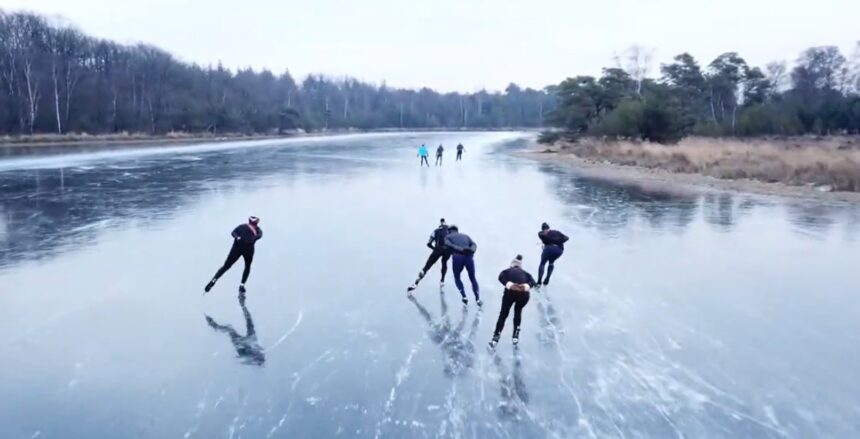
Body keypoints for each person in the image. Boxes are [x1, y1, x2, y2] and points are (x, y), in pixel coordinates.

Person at [204, 216, 263, 295]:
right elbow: (258, 236)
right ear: (257, 223)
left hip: (236, 249)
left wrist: (238, 237)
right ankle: (242, 286)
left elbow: (233, 233)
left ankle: (214, 280)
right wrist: (251, 239)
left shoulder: (241, 227)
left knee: (226, 266)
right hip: (248, 251)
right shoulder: (258, 230)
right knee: (247, 266)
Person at [489, 255, 536, 349]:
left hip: (510, 294)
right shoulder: (526, 274)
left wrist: (509, 285)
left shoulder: (507, 271)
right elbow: (533, 282)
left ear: (512, 265)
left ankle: (496, 336)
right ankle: (515, 334)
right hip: (523, 296)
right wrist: (525, 286)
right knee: (518, 312)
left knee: (503, 314)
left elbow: (500, 277)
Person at [204, 298, 265, 366]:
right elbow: (256, 345)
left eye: (258, 356)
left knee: (230, 329)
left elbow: (240, 353)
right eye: (260, 355)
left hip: (241, 343)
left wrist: (244, 350)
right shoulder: (258, 350)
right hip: (250, 340)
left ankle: (213, 325)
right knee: (249, 322)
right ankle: (242, 303)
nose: (258, 354)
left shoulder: (246, 357)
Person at [407, 218, 451, 293]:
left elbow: (428, 243)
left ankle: (416, 283)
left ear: (440, 224)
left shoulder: (436, 231)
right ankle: (442, 280)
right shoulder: (451, 232)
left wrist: (434, 249)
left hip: (437, 249)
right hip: (448, 250)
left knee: (427, 266)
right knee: (444, 262)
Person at [444, 225, 481, 306]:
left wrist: (460, 250)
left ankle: (464, 296)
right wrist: (471, 250)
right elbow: (474, 244)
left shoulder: (448, 236)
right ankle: (477, 298)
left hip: (457, 257)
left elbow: (448, 244)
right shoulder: (466, 236)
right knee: (472, 278)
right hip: (469, 257)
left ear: (450, 231)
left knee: (457, 277)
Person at [536, 222, 569, 286]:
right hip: (559, 250)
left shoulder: (541, 233)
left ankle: (539, 281)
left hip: (549, 248)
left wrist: (552, 242)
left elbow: (541, 234)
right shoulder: (557, 232)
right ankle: (547, 279)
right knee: (551, 263)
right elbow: (567, 238)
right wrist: (558, 241)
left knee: (542, 263)